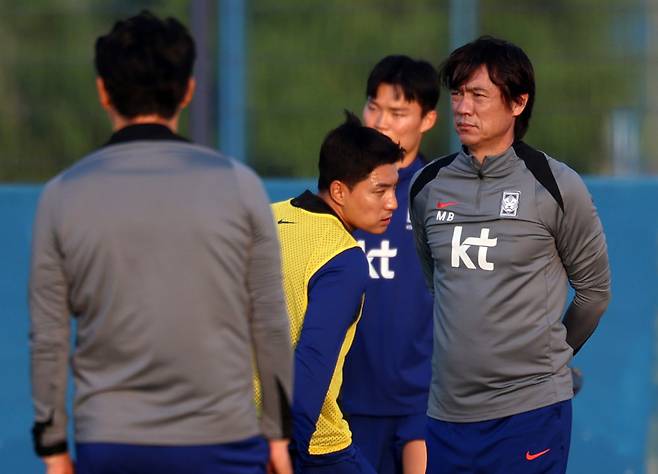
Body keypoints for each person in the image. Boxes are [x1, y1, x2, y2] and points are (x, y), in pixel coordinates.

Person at [29, 11, 292, 474]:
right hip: (224, 441)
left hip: (109, 443)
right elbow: (270, 324)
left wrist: (53, 449)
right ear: (188, 90)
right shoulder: (240, 186)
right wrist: (277, 434)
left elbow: (48, 339)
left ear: (103, 91)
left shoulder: (61, 195)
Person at [408, 36, 611, 474]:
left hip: (530, 411)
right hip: (448, 415)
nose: (463, 107)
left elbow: (594, 294)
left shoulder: (556, 185)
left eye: (479, 95)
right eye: (458, 94)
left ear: (518, 103)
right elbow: (437, 284)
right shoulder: (427, 187)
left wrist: (551, 355)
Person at [273, 112, 403, 473]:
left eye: (395, 188)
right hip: (309, 447)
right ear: (339, 191)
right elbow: (311, 364)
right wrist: (283, 452)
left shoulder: (262, 218)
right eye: (380, 190)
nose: (392, 202)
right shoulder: (342, 259)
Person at [341, 55, 438, 474]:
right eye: (374, 107)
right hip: (348, 404)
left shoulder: (441, 192)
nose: (382, 121)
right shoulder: (338, 193)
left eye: (398, 112)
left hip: (424, 402)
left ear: (428, 120)